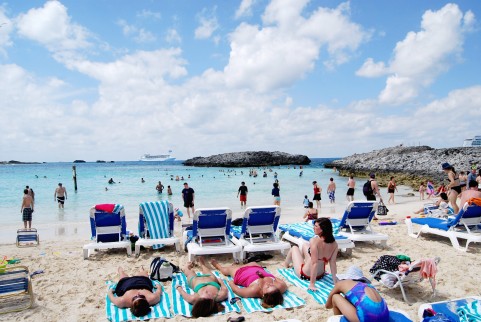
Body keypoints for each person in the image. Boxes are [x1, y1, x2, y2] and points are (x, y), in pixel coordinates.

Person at [284, 218, 338, 290]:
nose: (313, 228)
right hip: (321, 274)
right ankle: (302, 262)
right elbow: (333, 263)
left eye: (315, 226)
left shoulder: (314, 241)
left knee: (294, 248)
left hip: (305, 275)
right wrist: (335, 282)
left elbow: (314, 263)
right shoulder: (334, 244)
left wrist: (312, 284)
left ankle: (285, 264)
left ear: (322, 229)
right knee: (305, 245)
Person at [211, 260, 287, 308]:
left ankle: (218, 266)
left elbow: (237, 290)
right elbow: (278, 280)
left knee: (227, 270)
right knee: (253, 262)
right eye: (272, 285)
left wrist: (231, 283)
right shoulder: (280, 287)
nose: (268, 284)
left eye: (267, 287)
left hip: (241, 273)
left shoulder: (254, 290)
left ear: (263, 294)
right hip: (257, 268)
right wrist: (268, 276)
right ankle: (238, 265)